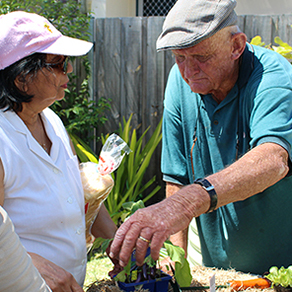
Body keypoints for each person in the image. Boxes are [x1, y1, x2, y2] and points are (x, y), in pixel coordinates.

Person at [109, 0, 292, 276]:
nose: (188, 71)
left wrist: (185, 204)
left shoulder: (272, 77)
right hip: (218, 272)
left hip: (280, 269)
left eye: (201, 58)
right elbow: (176, 177)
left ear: (236, 46)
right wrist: (175, 260)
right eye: (179, 58)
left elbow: (273, 158)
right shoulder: (180, 82)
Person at [0, 11, 117, 292]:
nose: (69, 71)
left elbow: (75, 191)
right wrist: (32, 265)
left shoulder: (52, 120)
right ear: (21, 78)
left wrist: (117, 240)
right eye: (58, 64)